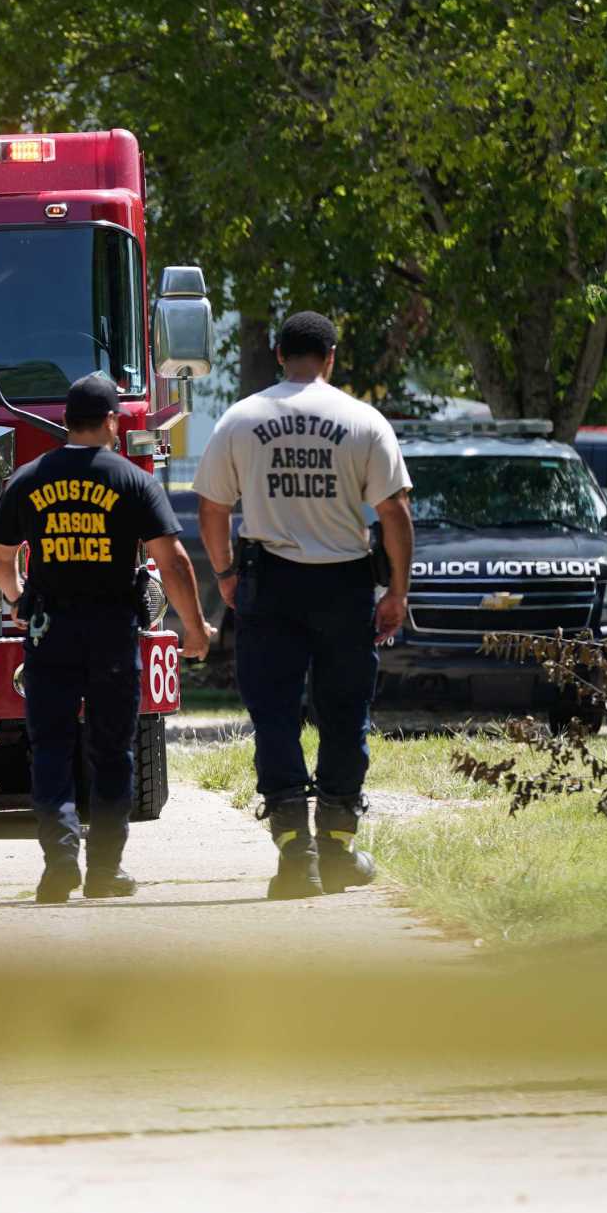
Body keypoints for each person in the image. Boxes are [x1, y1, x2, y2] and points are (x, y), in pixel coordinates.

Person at [193, 311, 413, 899]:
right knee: (345, 713)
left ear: (276, 352)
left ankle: (296, 860)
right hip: (344, 585)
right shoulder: (364, 421)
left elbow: (212, 508)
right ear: (332, 357)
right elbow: (394, 513)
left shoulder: (241, 420)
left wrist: (225, 574)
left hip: (272, 585)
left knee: (275, 714)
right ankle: (338, 850)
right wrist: (397, 591)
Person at [0, 374, 213, 904]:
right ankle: (106, 871)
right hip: (112, 636)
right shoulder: (132, 481)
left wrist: (20, 600)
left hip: (50, 635)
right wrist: (196, 628)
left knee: (50, 750)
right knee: (111, 753)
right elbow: (172, 561)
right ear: (112, 421)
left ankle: (59, 867)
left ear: (66, 422)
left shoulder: (28, 479)